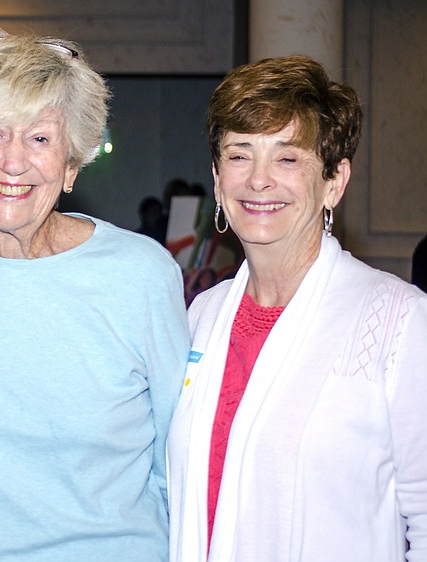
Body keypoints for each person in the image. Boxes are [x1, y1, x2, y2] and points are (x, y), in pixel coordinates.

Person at [0, 31, 189, 561]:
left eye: (40, 139)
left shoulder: (141, 276)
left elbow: (180, 453)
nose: (13, 161)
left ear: (71, 166)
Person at [167, 54, 427, 561]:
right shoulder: (202, 316)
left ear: (334, 181)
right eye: (240, 155)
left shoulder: (400, 321)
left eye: (288, 158)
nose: (259, 180)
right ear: (217, 181)